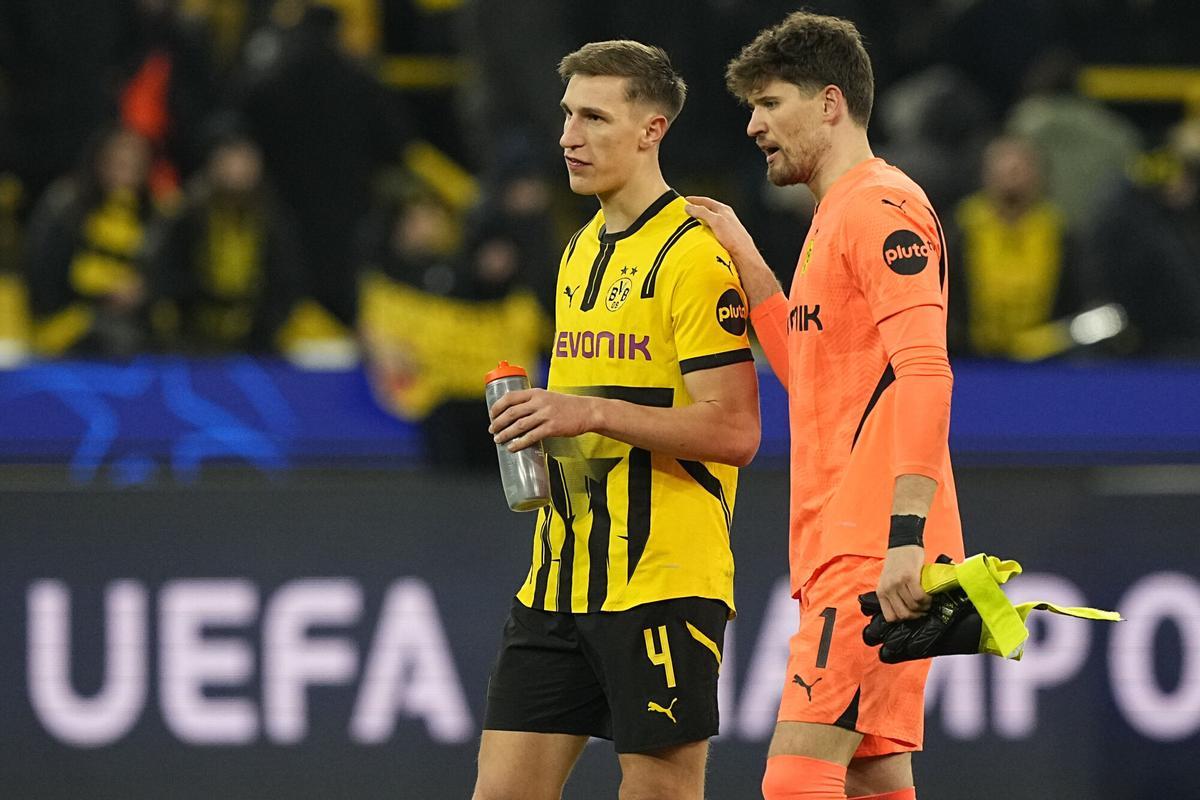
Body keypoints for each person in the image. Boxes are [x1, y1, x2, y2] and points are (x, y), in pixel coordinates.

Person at [685, 12, 963, 799]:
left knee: (796, 781)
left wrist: (905, 537)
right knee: (875, 778)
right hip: (850, 546)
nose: (753, 125)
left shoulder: (880, 210)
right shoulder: (833, 216)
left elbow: (926, 371)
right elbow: (812, 375)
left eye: (770, 103)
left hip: (875, 552)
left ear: (831, 103)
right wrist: (746, 257)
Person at [474, 40, 761, 800]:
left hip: (662, 579)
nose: (569, 136)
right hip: (559, 579)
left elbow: (735, 431)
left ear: (651, 130)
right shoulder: (576, 254)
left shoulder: (694, 259)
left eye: (595, 117)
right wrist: (546, 421)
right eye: (568, 115)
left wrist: (589, 410)